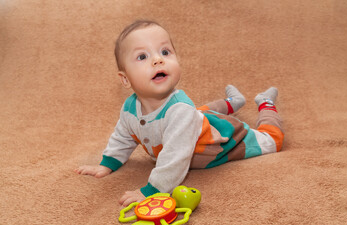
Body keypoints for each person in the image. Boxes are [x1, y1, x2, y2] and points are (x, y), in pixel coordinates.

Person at [75, 20, 284, 207]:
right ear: (125, 79)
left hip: (221, 141)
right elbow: (123, 137)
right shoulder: (130, 109)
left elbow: (175, 158)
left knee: (272, 141)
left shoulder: (181, 111)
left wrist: (152, 191)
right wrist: (107, 164)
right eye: (142, 56)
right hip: (193, 119)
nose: (158, 60)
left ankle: (265, 104)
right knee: (197, 112)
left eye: (165, 52)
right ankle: (233, 102)